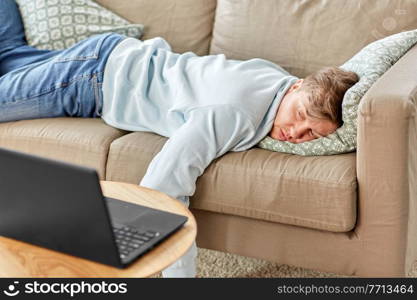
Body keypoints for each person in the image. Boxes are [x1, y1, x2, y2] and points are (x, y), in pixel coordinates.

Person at [0, 0, 359, 277]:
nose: (295, 134)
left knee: (10, 57)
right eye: (298, 116)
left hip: (111, 55)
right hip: (87, 80)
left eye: (312, 134)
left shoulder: (276, 78)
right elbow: (164, 187)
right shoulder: (233, 114)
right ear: (297, 86)